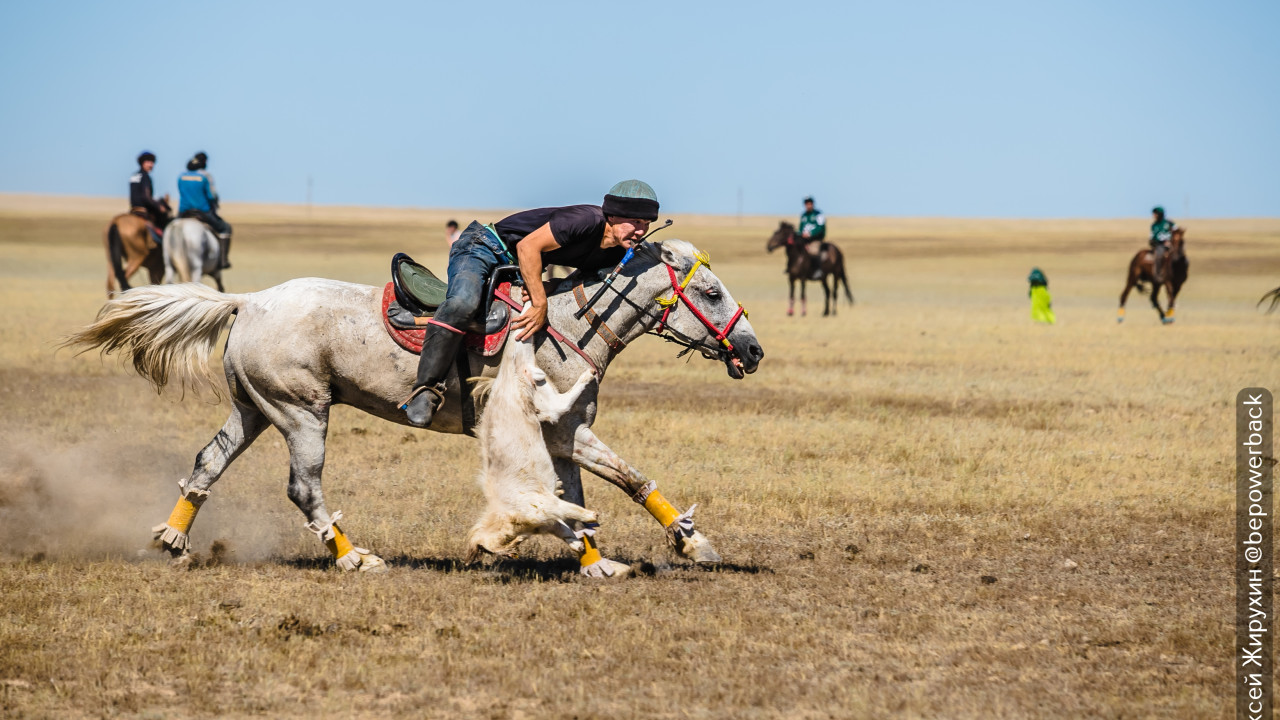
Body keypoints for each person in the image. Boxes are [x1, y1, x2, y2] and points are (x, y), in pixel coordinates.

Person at [401, 179, 659, 428]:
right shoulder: (586, 220)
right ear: (612, 216)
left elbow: (581, 278)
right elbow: (527, 248)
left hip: (515, 268)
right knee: (462, 304)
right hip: (484, 247)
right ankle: (425, 390)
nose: (640, 230)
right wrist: (539, 303)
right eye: (635, 222)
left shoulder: (616, 253)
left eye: (646, 224)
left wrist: (550, 286)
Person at [177, 152, 233, 269]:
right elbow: (211, 196)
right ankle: (223, 260)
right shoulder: (205, 176)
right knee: (225, 228)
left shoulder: (181, 176)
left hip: (183, 212)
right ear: (204, 163)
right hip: (202, 212)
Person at [129, 151, 168, 241]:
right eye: (148, 162)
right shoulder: (145, 176)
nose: (151, 165)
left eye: (152, 162)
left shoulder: (133, 176)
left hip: (133, 209)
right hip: (143, 210)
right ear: (142, 163)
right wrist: (159, 206)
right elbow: (146, 197)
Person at [799, 196, 827, 279]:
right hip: (804, 239)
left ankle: (818, 270)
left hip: (816, 239)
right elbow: (800, 228)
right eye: (806, 204)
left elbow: (821, 228)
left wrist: (810, 234)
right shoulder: (803, 215)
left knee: (813, 251)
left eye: (810, 203)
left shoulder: (818, 214)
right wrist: (800, 234)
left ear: (812, 204)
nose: (808, 205)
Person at [1148, 206, 1176, 283]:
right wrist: (1154, 243)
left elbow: (1176, 233)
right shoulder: (1154, 225)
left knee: (1179, 255)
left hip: (1171, 244)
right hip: (1159, 245)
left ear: (1160, 214)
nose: (1153, 215)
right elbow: (1151, 238)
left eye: (1155, 214)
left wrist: (1170, 241)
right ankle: (1158, 276)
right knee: (1159, 255)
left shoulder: (1169, 223)